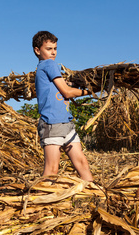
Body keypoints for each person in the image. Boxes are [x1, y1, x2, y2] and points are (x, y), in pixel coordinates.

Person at [32, 31, 93, 181]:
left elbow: (63, 86)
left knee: (82, 162)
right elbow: (66, 92)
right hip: (52, 124)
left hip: (66, 123)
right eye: (48, 49)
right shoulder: (48, 64)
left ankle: (95, 194)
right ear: (37, 50)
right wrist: (90, 91)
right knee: (52, 170)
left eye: (55, 48)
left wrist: (75, 84)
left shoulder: (44, 69)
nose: (53, 52)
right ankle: (41, 201)